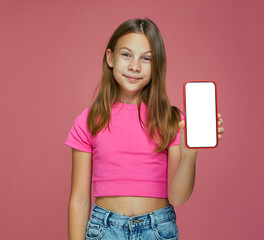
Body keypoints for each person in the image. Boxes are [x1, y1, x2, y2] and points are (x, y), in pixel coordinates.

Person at [65, 18, 224, 240]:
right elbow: (80, 198)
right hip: (105, 230)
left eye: (146, 58)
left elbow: (177, 197)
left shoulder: (171, 120)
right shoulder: (89, 120)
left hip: (158, 229)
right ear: (110, 57)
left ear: (156, 64)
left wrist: (189, 154)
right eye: (126, 54)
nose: (134, 66)